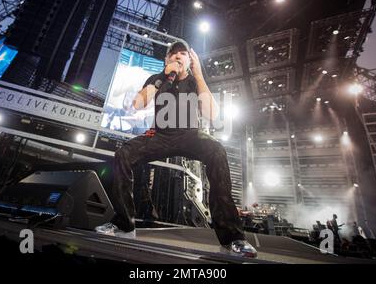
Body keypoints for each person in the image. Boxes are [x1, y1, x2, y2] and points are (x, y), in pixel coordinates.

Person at [95, 40, 257, 258]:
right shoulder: (157, 80)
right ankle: (124, 224)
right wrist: (163, 76)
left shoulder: (195, 81)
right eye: (173, 54)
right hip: (160, 135)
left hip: (190, 135)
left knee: (217, 150)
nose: (178, 57)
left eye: (183, 54)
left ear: (190, 60)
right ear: (166, 59)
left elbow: (212, 115)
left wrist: (199, 75)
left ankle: (233, 238)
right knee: (124, 153)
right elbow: (137, 104)